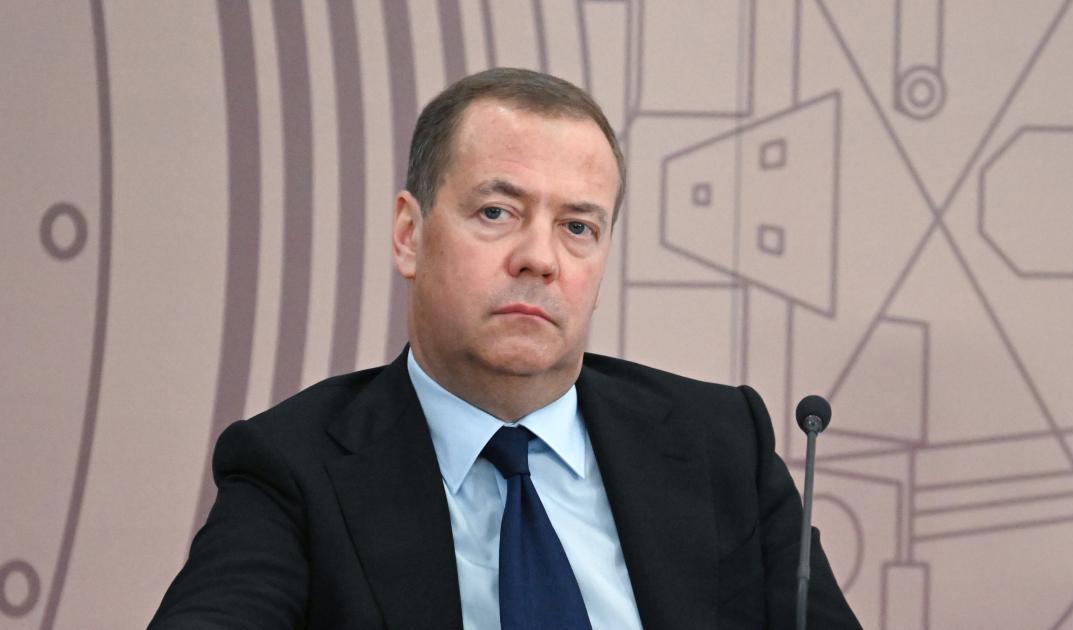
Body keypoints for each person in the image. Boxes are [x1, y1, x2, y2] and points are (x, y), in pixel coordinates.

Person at [150, 67, 860, 630]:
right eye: (497, 212)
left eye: (578, 227)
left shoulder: (719, 444)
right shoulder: (295, 467)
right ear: (409, 234)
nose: (539, 259)